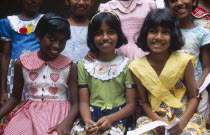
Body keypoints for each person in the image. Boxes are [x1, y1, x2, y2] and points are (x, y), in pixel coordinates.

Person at [129, 8, 208, 134]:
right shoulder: (137, 66)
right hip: (154, 119)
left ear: (173, 35)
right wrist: (158, 122)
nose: (158, 37)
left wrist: (182, 123)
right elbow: (144, 102)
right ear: (145, 34)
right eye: (153, 31)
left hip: (184, 117)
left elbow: (193, 97)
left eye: (165, 32)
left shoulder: (184, 61)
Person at [0, 13, 79, 135]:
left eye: (62, 41)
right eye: (51, 39)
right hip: (29, 113)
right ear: (38, 37)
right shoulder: (22, 63)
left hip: (59, 113)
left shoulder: (70, 66)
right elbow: (15, 97)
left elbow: (75, 104)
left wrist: (66, 123)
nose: (56, 46)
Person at [71, 11, 137, 135]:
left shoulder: (128, 66)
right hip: (89, 115)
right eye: (98, 33)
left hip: (118, 117)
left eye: (111, 32)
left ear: (118, 34)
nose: (105, 37)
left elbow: (131, 105)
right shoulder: (84, 66)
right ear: (92, 37)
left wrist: (110, 119)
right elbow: (84, 102)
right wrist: (87, 122)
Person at [0, 0, 44, 129]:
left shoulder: (45, 20)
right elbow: (5, 55)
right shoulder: (9, 22)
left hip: (39, 70)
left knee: (35, 106)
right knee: (13, 104)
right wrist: (2, 90)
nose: (33, 1)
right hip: (14, 72)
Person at [164, 0, 210, 121]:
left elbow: (207, 66)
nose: (179, 3)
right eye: (173, 0)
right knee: (174, 124)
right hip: (171, 90)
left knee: (199, 124)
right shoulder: (165, 33)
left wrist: (198, 88)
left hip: (197, 88)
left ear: (194, 1)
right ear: (168, 5)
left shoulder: (202, 33)